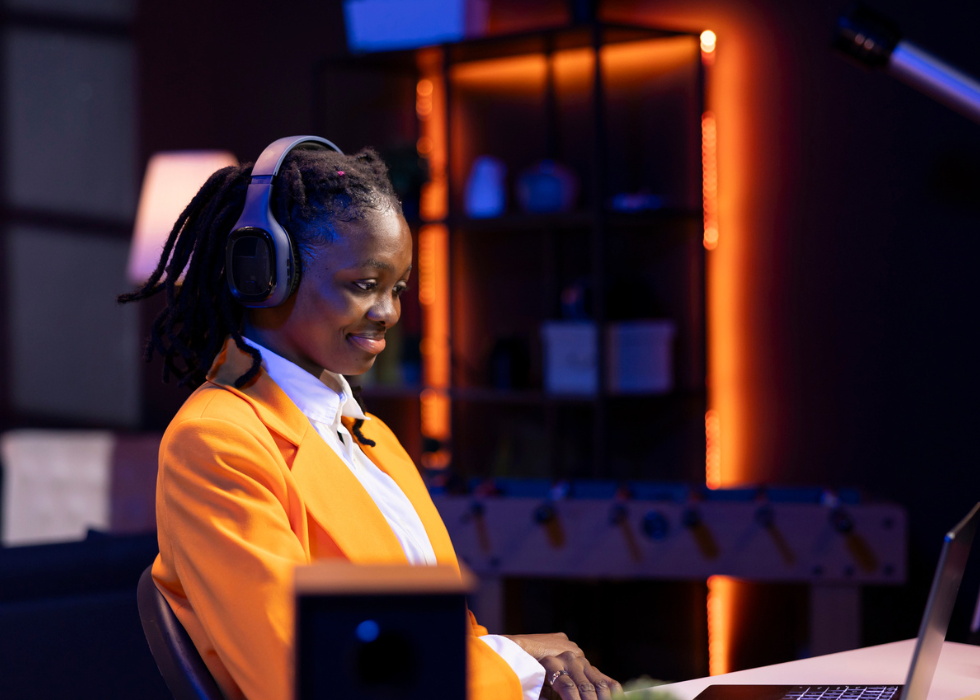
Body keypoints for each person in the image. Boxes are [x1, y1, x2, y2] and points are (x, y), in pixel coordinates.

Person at [120, 137, 622, 700]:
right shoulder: (215, 441)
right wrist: (515, 663)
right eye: (364, 285)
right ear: (264, 274)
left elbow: (430, 637)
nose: (388, 313)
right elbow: (305, 674)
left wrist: (512, 657)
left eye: (397, 289)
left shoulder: (370, 436)